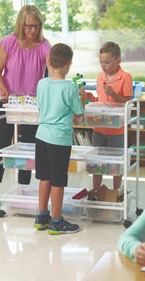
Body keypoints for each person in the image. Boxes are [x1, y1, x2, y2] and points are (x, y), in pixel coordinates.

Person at [0, 5, 51, 207]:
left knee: (30, 148)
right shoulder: (9, 42)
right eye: (29, 26)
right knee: (2, 146)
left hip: (33, 106)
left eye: (37, 26)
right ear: (21, 24)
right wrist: (3, 89)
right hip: (9, 102)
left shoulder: (44, 46)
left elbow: (53, 69)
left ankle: (23, 188)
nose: (33, 30)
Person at [33, 43, 86, 234]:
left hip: (41, 137)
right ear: (69, 64)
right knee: (58, 181)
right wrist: (82, 94)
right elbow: (78, 114)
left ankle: (42, 216)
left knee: (44, 178)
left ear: (49, 61)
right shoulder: (70, 88)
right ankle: (56, 222)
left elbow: (41, 109)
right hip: (59, 141)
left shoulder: (41, 83)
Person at [85, 42, 133, 190]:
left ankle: (115, 192)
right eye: (101, 62)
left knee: (115, 164)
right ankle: (95, 191)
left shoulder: (125, 77)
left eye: (106, 62)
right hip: (99, 128)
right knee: (96, 163)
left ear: (118, 61)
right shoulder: (100, 77)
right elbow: (101, 100)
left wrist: (113, 94)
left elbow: (128, 102)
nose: (103, 65)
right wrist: (92, 98)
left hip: (116, 131)